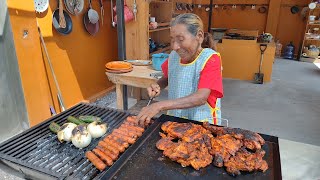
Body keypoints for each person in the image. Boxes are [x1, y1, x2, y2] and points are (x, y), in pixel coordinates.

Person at [137, 13, 223, 125]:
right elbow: (169, 76)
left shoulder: (211, 59)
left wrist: (159, 105)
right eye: (172, 40)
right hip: (175, 121)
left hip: (201, 124)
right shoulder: (174, 56)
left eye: (181, 39)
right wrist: (158, 85)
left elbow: (201, 97)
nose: (175, 47)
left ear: (199, 36)